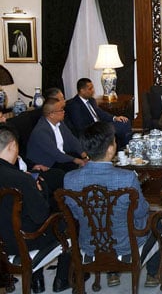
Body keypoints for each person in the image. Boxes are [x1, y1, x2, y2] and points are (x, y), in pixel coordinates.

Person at [63, 122, 161, 289]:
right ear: (110, 149)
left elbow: (75, 215)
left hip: (90, 245)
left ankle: (112, 274)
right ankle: (153, 274)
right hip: (125, 246)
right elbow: (140, 212)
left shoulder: (70, 179)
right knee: (155, 220)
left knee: (103, 222)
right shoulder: (127, 177)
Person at [0, 125, 73, 293]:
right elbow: (41, 216)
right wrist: (40, 191)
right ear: (12, 145)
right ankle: (63, 279)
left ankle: (37, 281)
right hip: (18, 243)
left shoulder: (18, 177)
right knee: (66, 222)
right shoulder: (21, 180)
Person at [64, 78, 132, 149]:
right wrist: (99, 127)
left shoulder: (91, 100)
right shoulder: (74, 105)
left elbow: (100, 113)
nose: (93, 90)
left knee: (125, 122)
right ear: (82, 91)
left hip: (100, 126)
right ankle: (125, 149)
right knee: (121, 127)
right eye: (90, 89)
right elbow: (80, 125)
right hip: (93, 131)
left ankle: (126, 149)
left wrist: (115, 118)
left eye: (92, 88)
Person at [26, 98, 87, 172]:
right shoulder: (41, 131)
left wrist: (84, 155)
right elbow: (56, 154)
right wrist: (78, 161)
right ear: (51, 114)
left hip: (62, 156)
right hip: (48, 163)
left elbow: (72, 140)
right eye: (61, 110)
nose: (64, 112)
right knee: (79, 169)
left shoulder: (60, 123)